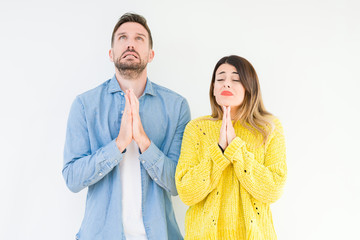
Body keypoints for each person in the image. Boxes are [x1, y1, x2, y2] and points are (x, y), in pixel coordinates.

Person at [63, 13, 190, 240]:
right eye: (122, 37)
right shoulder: (84, 105)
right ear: (111, 53)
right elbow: (72, 178)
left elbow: (179, 185)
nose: (130, 43)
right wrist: (118, 144)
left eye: (139, 38)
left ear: (151, 55)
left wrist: (144, 142)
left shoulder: (177, 106)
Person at [175, 55, 287, 239]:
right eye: (220, 79)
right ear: (213, 88)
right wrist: (219, 150)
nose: (226, 84)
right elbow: (186, 193)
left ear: (249, 87)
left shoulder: (269, 128)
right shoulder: (196, 129)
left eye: (235, 79)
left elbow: (273, 189)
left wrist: (236, 148)